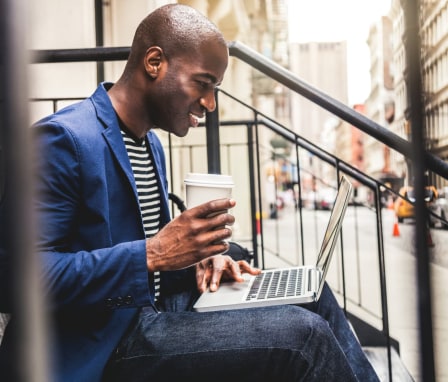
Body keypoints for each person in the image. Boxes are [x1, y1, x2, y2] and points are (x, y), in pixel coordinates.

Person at [0, 4, 379, 381]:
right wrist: (155, 253)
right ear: (154, 63)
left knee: (315, 294)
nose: (210, 104)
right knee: (304, 337)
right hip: (105, 341)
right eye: (203, 83)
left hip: (155, 307)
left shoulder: (151, 145)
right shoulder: (63, 140)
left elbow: (153, 255)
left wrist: (197, 263)